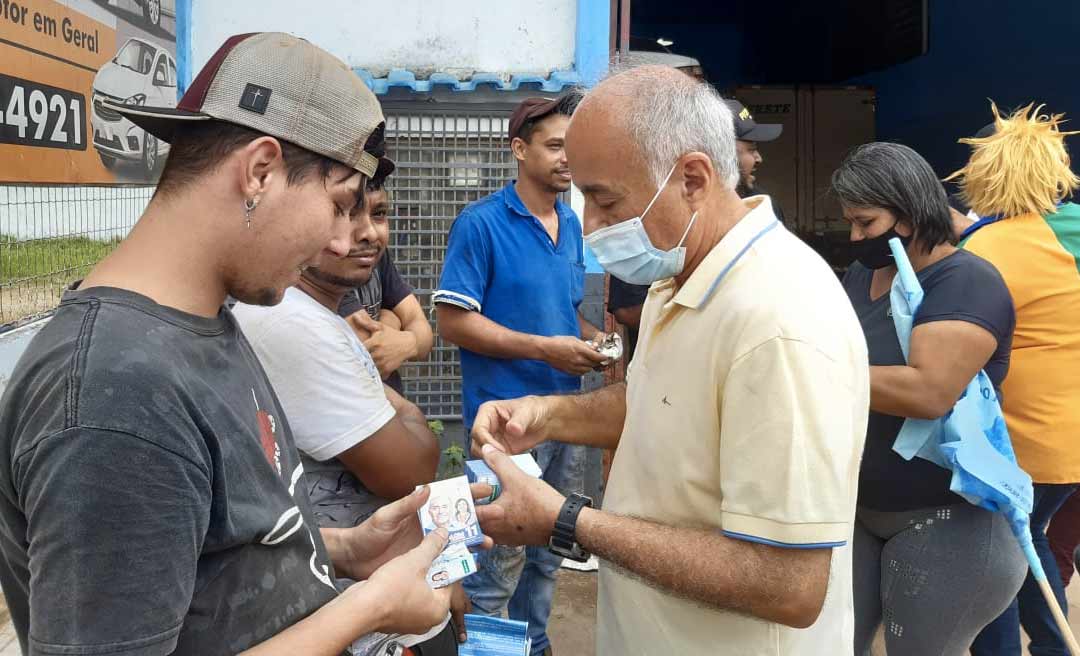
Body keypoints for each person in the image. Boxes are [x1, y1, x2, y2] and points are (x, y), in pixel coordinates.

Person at [0, 33, 465, 656]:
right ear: (260, 171)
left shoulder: (206, 321)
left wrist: (345, 548)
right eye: (338, 205)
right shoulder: (116, 397)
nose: (340, 241)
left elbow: (200, 550)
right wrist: (370, 608)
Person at [471, 65, 869, 654]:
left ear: (692, 179)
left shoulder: (780, 322)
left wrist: (567, 520)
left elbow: (788, 584)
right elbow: (656, 400)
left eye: (605, 200)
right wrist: (546, 414)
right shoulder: (679, 274)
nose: (591, 226)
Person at [231, 162, 473, 652]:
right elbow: (412, 466)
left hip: (377, 590)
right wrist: (406, 411)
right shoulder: (294, 324)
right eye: (341, 212)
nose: (364, 234)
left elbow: (420, 333)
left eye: (378, 214)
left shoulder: (323, 316)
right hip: (354, 615)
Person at [832, 142, 1027, 655]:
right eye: (850, 222)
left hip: (947, 520)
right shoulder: (865, 275)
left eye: (866, 222)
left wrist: (818, 371)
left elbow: (928, 392)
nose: (856, 237)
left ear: (909, 212)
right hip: (862, 509)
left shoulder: (967, 281)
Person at [433, 92, 609, 655]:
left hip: (565, 420)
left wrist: (592, 341)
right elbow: (453, 322)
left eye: (572, 147)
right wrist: (545, 350)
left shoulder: (571, 224)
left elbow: (564, 313)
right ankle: (486, 650)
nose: (567, 158)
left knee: (548, 554)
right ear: (518, 149)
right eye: (554, 146)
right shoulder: (481, 224)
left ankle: (535, 646)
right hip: (503, 429)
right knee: (495, 568)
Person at [947, 103, 1080, 656]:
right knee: (1028, 541)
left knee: (995, 560)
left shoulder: (984, 247)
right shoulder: (1074, 227)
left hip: (1018, 442)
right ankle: (1053, 645)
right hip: (1071, 441)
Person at [606, 97, 785, 361]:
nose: (758, 158)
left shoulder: (762, 209)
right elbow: (628, 309)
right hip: (669, 365)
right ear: (719, 150)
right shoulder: (653, 211)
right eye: (751, 148)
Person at [337, 179, 434, 395]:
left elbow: (425, 334)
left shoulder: (376, 259)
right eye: (350, 213)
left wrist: (407, 340)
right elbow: (370, 354)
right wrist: (393, 319)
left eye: (379, 213)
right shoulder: (325, 273)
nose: (370, 233)